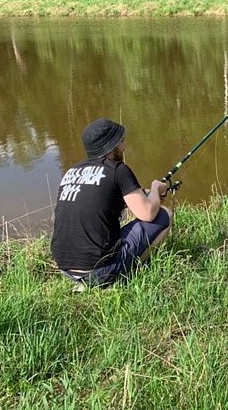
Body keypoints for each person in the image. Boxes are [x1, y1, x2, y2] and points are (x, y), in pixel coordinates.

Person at [50, 118, 173, 288]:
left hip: (65, 267)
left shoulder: (72, 171)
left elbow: (102, 197)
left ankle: (88, 279)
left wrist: (150, 195)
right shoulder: (118, 170)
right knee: (164, 214)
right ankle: (131, 270)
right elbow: (148, 213)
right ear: (111, 146)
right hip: (99, 271)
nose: (124, 146)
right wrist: (155, 188)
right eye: (121, 141)